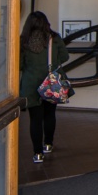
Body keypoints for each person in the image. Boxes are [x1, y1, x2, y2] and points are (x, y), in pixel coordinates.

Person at [19, 11, 70, 164]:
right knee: (49, 115)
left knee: (35, 119)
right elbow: (65, 57)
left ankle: (38, 153)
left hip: (30, 84)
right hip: (51, 82)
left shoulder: (23, 41)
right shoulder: (54, 39)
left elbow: (19, 65)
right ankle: (48, 144)